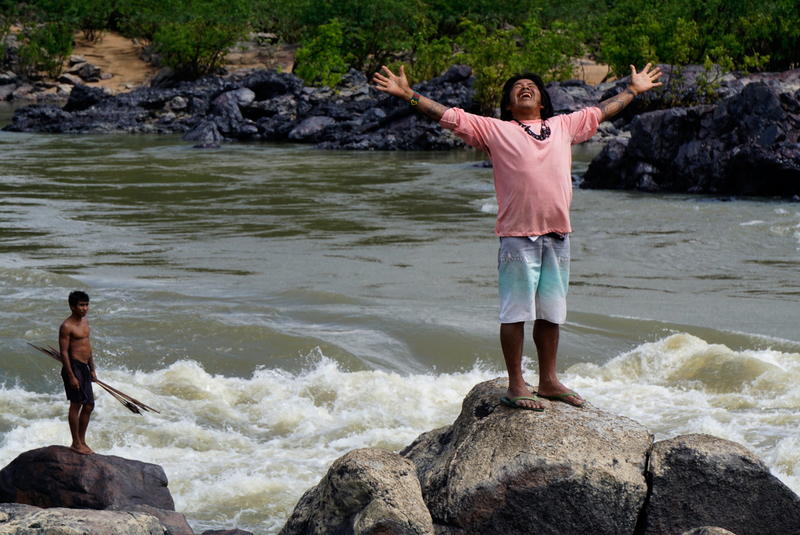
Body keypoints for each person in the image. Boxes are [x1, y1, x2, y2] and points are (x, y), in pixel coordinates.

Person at [373, 63, 662, 411]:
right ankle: (515, 384)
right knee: (515, 313)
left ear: (542, 103)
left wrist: (632, 91)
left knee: (551, 313)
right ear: (508, 105)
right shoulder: (495, 130)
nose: (525, 88)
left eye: (532, 86)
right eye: (517, 87)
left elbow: (601, 111)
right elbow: (449, 116)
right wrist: (408, 95)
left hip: (557, 234)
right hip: (516, 236)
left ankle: (549, 381)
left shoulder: (562, 125)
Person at [59, 290, 97, 454]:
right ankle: (75, 443)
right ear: (72, 307)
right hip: (73, 366)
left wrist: (92, 369)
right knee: (76, 404)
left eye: (86, 304)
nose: (85, 308)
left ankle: (82, 440)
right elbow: (63, 353)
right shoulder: (67, 326)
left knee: (89, 405)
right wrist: (71, 375)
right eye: (81, 305)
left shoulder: (86, 322)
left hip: (84, 367)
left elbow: (88, 348)